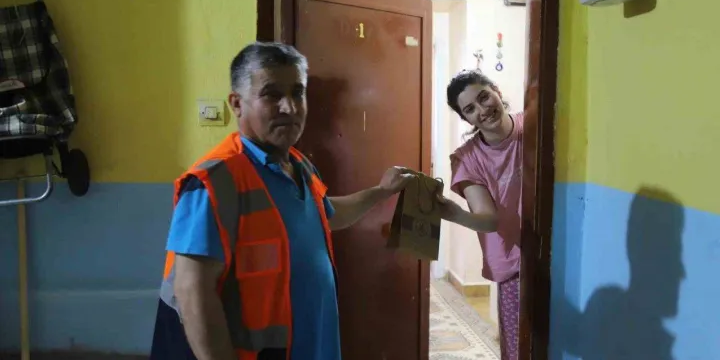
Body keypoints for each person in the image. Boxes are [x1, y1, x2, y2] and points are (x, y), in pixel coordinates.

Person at [149, 42, 418, 360]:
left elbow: (326, 216)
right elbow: (193, 292)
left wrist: (382, 191)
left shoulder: (298, 165)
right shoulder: (214, 181)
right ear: (237, 104)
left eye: (297, 93)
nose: (289, 107)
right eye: (272, 94)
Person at [446, 69, 522, 360]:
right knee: (517, 348)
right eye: (470, 109)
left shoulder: (536, 126)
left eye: (484, 97)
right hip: (512, 262)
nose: (482, 110)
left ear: (496, 91)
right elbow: (487, 218)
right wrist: (455, 213)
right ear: (466, 119)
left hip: (555, 253)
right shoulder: (467, 158)